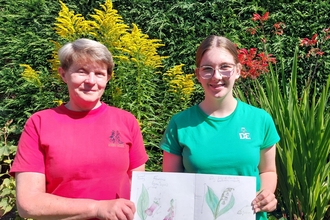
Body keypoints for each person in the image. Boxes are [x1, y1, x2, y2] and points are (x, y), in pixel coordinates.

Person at [10, 38, 148, 220]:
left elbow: (139, 189)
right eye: (81, 72)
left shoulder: (126, 121)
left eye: (99, 73)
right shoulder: (39, 123)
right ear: (63, 74)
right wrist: (97, 208)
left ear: (108, 78)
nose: (91, 81)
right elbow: (29, 204)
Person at [160, 35, 280, 220]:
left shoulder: (260, 120)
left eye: (225, 67)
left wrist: (266, 195)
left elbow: (268, 171)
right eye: (207, 69)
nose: (216, 76)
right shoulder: (180, 124)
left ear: (238, 71)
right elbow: (170, 184)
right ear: (198, 74)